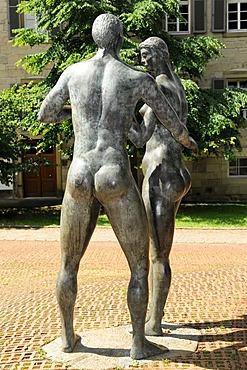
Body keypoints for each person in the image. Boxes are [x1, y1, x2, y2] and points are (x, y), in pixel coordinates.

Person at [38, 14, 196, 360]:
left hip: (79, 172)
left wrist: (78, 117)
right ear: (120, 39)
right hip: (113, 173)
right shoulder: (135, 77)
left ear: (96, 39)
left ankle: (67, 337)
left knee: (68, 264)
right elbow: (172, 122)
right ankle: (139, 342)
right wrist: (187, 141)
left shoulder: (73, 72)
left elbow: (45, 114)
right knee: (139, 265)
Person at [129, 37, 193, 336]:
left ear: (160, 54)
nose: (143, 61)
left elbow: (142, 136)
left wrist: (115, 118)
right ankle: (156, 315)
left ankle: (153, 321)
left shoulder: (161, 88)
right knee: (160, 251)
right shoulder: (176, 84)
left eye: (146, 55)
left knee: (157, 254)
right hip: (175, 171)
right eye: (140, 55)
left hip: (161, 173)